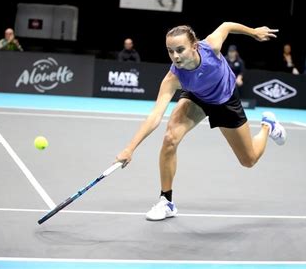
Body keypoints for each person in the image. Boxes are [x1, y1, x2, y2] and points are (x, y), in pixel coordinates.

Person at [115, 22, 287, 221]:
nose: (175, 56)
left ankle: (268, 125)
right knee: (170, 138)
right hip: (196, 97)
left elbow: (226, 26)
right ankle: (166, 201)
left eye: (180, 50)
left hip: (225, 100)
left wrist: (253, 32)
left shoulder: (211, 46)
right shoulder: (173, 77)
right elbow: (155, 116)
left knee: (249, 160)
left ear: (194, 46)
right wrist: (130, 148)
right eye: (170, 51)